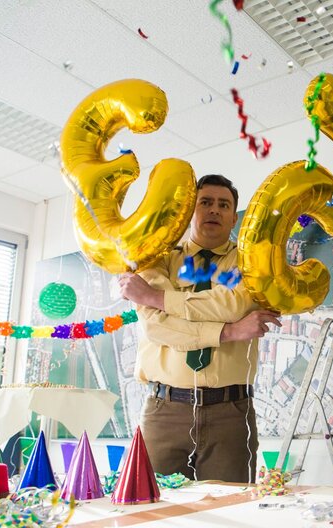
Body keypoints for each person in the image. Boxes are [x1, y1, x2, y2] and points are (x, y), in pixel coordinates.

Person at [119, 174, 281, 482]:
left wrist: (157, 297)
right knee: (151, 509)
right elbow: (156, 328)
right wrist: (228, 332)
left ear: (235, 217)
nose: (214, 210)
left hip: (230, 412)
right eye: (205, 202)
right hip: (164, 410)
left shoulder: (251, 263)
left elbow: (233, 304)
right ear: (189, 211)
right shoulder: (157, 256)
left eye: (224, 205)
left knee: (229, 510)